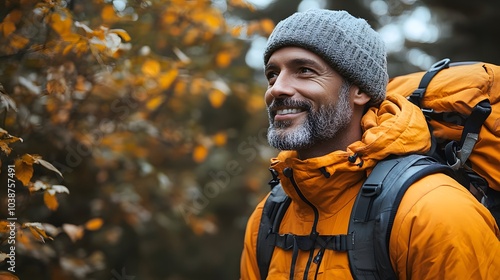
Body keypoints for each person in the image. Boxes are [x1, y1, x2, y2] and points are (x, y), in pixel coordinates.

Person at [240, 9, 500, 280]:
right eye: (272, 74)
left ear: (360, 90)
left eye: (304, 70)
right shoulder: (268, 217)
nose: (276, 89)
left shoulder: (434, 212)